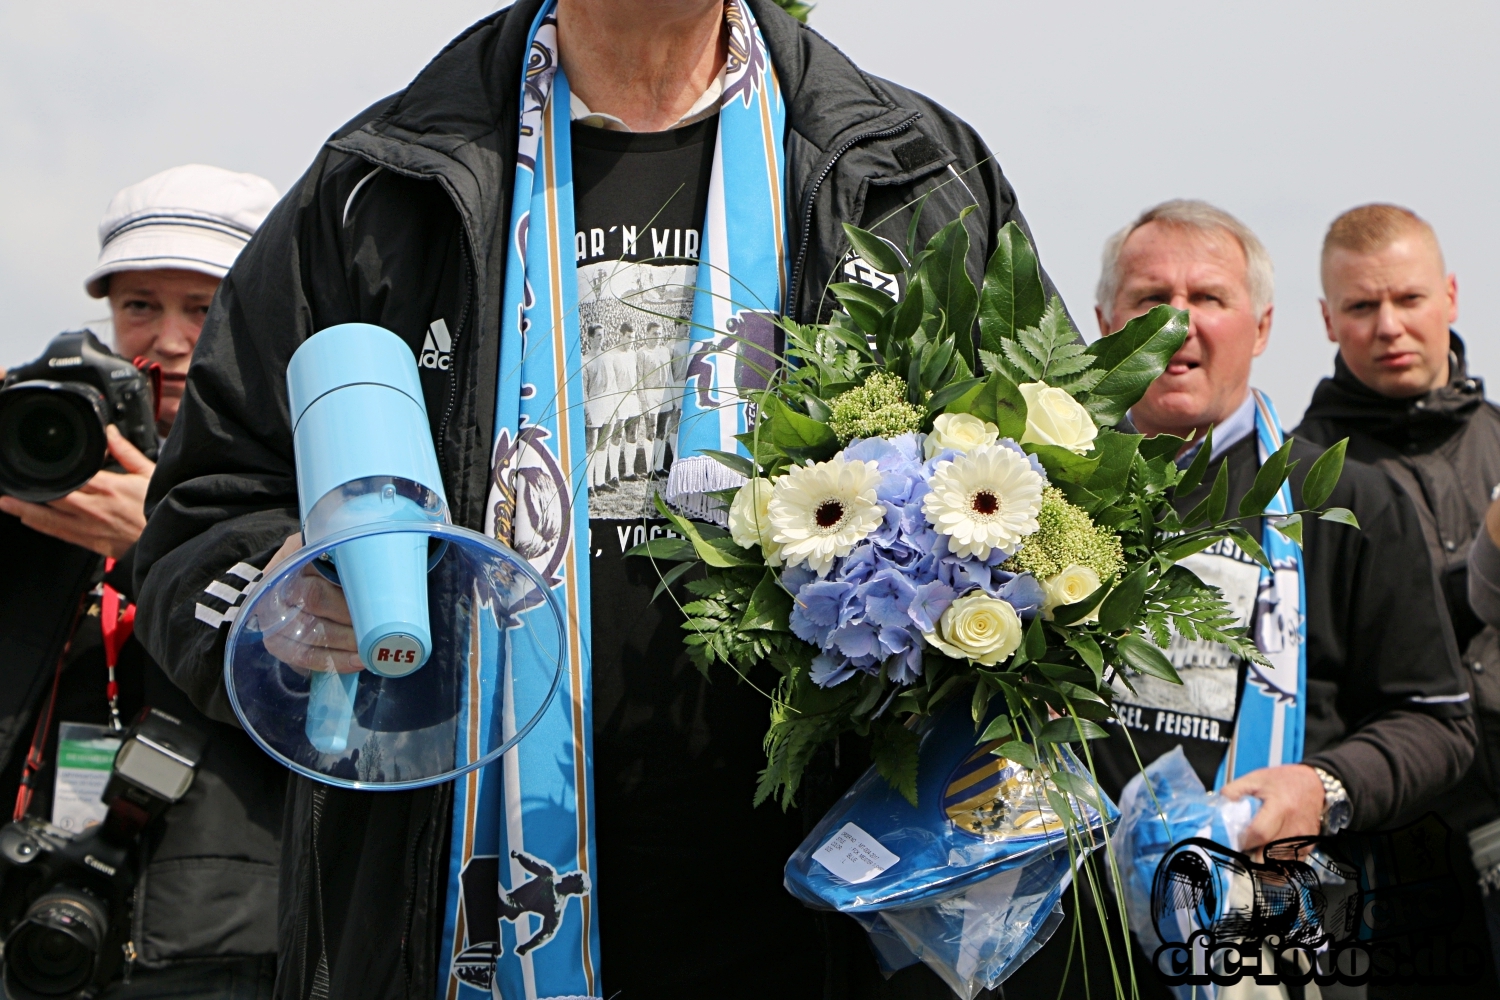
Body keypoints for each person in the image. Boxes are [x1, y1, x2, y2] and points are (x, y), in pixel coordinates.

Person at [130, 1, 1065, 997]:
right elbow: (205, 513)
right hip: (447, 914)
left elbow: (1059, 500)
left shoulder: (914, 173)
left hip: (818, 920)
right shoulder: (378, 183)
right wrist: (281, 592)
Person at [1001, 199, 1476, 999]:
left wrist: (1320, 788)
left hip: (1261, 946)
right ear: (1103, 322)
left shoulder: (1348, 499)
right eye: (1152, 301)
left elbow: (1437, 721)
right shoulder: (1017, 489)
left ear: (1259, 328)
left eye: (1209, 299)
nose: (1178, 324)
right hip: (1053, 944)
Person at [0, 164, 284, 998]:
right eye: (139, 305)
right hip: (36, 908)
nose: (167, 338)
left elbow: (327, 685)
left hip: (220, 930)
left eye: (204, 307)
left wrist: (156, 544)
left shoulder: (305, 469)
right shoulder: (41, 449)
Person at [1297, 203, 1500, 994]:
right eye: (1361, 305)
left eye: (1409, 300)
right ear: (1325, 319)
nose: (1390, 326)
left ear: (1450, 295)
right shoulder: (1306, 475)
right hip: (1389, 852)